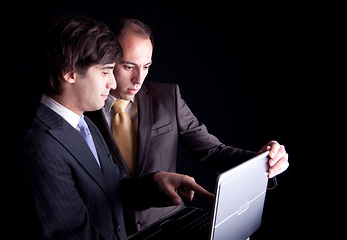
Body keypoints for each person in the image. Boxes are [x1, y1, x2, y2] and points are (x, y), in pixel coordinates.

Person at [86, 18, 289, 235]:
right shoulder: (83, 109)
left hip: (170, 226)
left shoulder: (167, 97)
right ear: (107, 59)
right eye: (129, 67)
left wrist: (264, 162)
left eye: (146, 67)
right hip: (110, 232)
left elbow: (214, 152)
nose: (139, 79)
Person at [20, 14, 214, 240]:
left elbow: (115, 187)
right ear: (69, 73)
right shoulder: (40, 146)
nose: (112, 83)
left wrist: (157, 181)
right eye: (104, 72)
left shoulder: (83, 125)